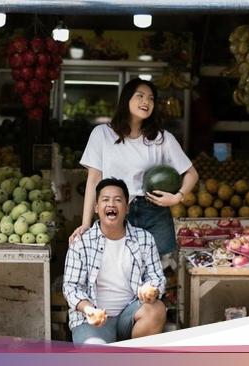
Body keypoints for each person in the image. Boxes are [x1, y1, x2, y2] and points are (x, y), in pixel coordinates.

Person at [70, 78, 198, 256]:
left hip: (154, 211)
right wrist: (86, 223)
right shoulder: (102, 134)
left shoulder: (162, 138)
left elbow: (191, 173)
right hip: (116, 210)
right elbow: (94, 180)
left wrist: (178, 197)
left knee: (159, 272)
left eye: (151, 98)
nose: (146, 102)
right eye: (140, 96)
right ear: (126, 100)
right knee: (117, 272)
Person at [63, 178, 166, 344]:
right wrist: (88, 309)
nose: (111, 204)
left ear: (127, 208)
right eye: (105, 200)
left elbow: (156, 278)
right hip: (92, 318)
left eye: (118, 200)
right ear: (96, 207)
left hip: (130, 314)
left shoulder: (144, 239)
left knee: (156, 309)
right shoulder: (81, 242)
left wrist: (152, 289)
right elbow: (71, 287)